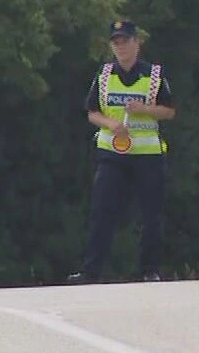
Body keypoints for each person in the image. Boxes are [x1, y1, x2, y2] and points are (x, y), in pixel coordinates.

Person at [67, 20, 174, 283]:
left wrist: (144, 110)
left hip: (147, 155)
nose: (120, 47)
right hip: (112, 154)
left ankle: (149, 271)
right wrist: (111, 124)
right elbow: (92, 112)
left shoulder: (154, 76)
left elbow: (169, 111)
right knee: (101, 211)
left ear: (137, 43)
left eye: (125, 41)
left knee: (151, 215)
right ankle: (91, 271)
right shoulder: (104, 75)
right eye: (116, 43)